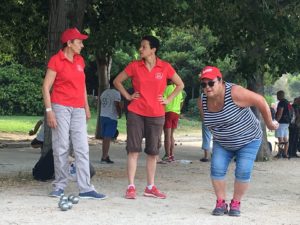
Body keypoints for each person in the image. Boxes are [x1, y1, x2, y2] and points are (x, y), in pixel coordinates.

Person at [198, 66, 278, 216]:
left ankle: (236, 202)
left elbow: (260, 100)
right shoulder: (202, 101)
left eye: (211, 83)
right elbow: (207, 120)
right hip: (223, 142)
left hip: (249, 139)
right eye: (203, 84)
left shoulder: (234, 92)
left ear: (220, 81)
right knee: (217, 168)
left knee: (243, 170)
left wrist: (269, 124)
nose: (207, 87)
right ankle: (220, 202)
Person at [113, 35, 184, 199]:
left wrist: (168, 99)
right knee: (133, 150)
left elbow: (180, 84)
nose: (140, 49)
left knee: (153, 152)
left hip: (157, 114)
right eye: (140, 46)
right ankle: (130, 187)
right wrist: (128, 96)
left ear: (153, 49)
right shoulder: (134, 66)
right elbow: (117, 81)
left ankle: (150, 187)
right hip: (136, 112)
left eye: (144, 47)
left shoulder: (165, 67)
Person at [42, 27, 106, 199]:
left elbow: (82, 85)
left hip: (78, 108)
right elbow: (46, 87)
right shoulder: (56, 60)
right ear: (69, 43)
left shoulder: (80, 60)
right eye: (79, 42)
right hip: (60, 107)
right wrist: (49, 111)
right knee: (61, 146)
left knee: (82, 148)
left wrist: (86, 106)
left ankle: (86, 188)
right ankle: (59, 185)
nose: (82, 45)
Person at [99, 76, 122, 164]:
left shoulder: (104, 92)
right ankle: (104, 156)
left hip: (103, 116)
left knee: (105, 137)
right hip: (111, 117)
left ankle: (105, 155)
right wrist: (119, 113)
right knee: (108, 138)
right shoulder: (116, 93)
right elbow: (117, 105)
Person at [161, 80, 184, 162]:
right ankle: (172, 154)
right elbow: (181, 102)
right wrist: (178, 110)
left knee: (167, 135)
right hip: (176, 113)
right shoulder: (179, 89)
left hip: (168, 112)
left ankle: (167, 155)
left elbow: (162, 101)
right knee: (171, 135)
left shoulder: (167, 88)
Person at [275, 90, 290, 158]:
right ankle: (285, 153)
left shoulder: (281, 103)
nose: (277, 97)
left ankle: (280, 153)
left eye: (277, 95)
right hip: (287, 122)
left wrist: (276, 121)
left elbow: (280, 113)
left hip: (281, 122)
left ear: (279, 95)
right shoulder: (288, 102)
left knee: (280, 139)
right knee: (285, 138)